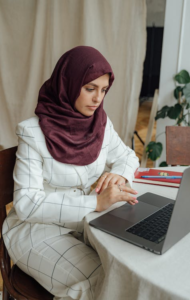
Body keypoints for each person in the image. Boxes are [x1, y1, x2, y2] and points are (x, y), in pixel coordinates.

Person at [3, 46, 139, 300]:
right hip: (37, 231)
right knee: (100, 281)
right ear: (68, 82)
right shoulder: (32, 133)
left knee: (127, 269)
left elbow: (128, 156)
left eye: (103, 90)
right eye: (90, 88)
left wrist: (119, 175)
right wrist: (95, 202)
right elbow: (27, 204)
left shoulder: (100, 123)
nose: (98, 99)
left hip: (86, 225)